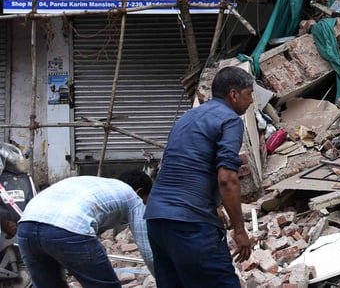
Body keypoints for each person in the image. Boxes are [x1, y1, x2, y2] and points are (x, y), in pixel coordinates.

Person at [145, 66, 255, 288]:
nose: (252, 101)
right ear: (234, 95)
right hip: (191, 225)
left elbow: (183, 165)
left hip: (157, 221)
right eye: (249, 93)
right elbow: (227, 179)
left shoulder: (188, 117)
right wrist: (240, 231)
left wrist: (215, 207)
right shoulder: (230, 119)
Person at [16, 171, 155, 288]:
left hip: (26, 226)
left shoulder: (96, 185)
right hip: (68, 228)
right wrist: (164, 278)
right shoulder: (132, 196)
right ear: (140, 192)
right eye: (147, 202)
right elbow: (148, 251)